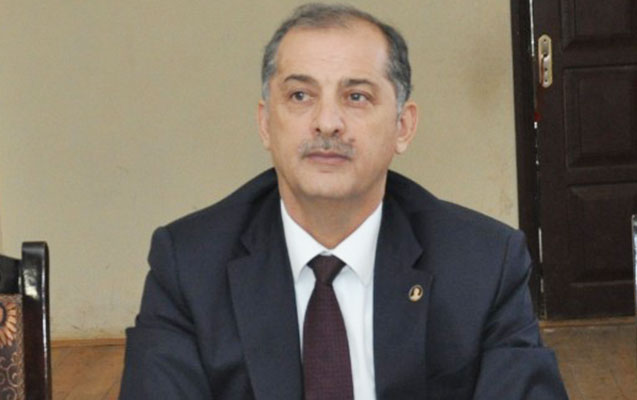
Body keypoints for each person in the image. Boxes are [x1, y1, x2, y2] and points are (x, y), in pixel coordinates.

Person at [120, 3, 568, 399]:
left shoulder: (483, 263)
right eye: (300, 95)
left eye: (356, 96)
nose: (327, 122)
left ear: (403, 127)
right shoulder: (189, 264)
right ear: (265, 124)